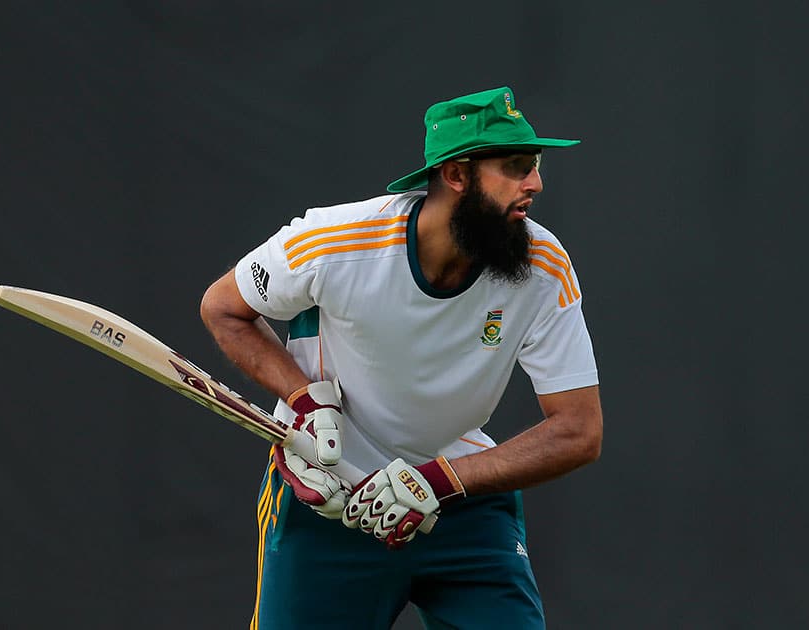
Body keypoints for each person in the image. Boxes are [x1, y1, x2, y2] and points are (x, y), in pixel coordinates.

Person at [200, 86, 602, 629]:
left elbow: (579, 430)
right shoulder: (333, 242)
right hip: (329, 507)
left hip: (465, 510)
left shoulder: (543, 264)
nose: (535, 183)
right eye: (515, 166)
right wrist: (302, 402)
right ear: (456, 175)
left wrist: (436, 481)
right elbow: (224, 308)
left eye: (533, 166)